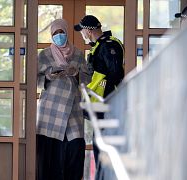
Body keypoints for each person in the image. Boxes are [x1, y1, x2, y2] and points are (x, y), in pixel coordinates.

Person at [36, 19, 91, 180]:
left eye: (61, 32)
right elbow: (33, 79)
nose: (59, 36)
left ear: (66, 33)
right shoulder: (44, 55)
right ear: (51, 35)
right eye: (55, 33)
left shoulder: (79, 54)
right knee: (50, 151)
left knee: (75, 148)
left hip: (73, 108)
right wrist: (48, 77)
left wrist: (77, 74)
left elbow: (88, 81)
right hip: (51, 109)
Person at [74, 15, 125, 179]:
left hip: (107, 105)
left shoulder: (109, 45)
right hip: (99, 105)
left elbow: (115, 75)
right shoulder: (98, 46)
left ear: (88, 31)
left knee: (104, 148)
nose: (81, 33)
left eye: (82, 30)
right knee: (99, 146)